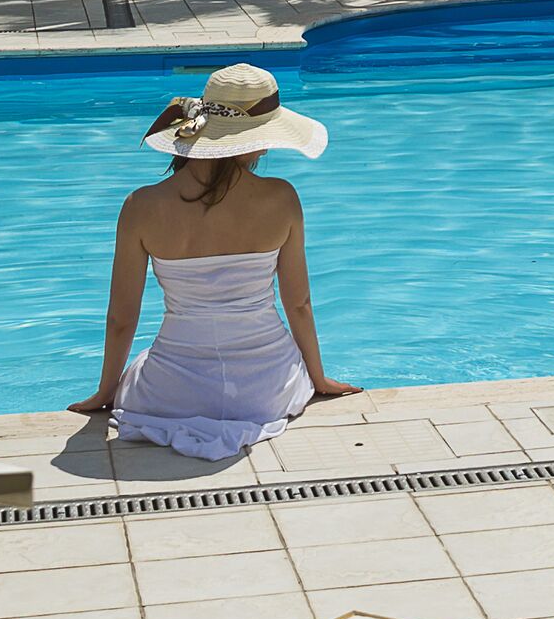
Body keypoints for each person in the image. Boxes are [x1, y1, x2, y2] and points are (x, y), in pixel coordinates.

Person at [71, 62, 356, 457]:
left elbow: (122, 318)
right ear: (258, 137)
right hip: (266, 387)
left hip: (172, 391)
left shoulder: (141, 207)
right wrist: (318, 377)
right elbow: (299, 304)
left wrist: (106, 391)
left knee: (144, 369)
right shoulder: (281, 199)